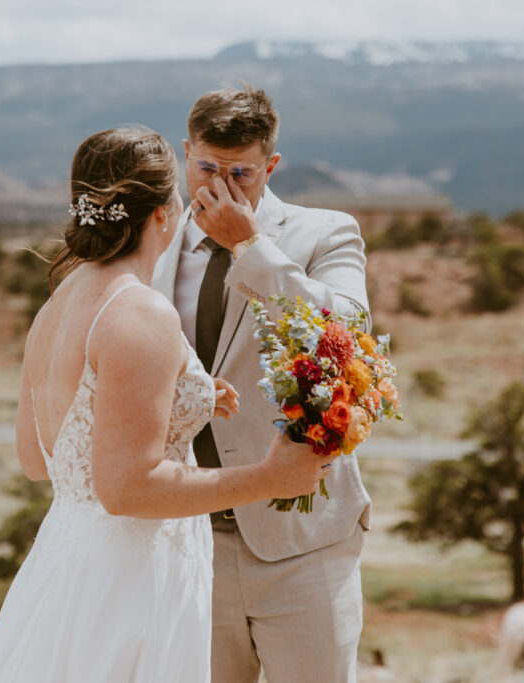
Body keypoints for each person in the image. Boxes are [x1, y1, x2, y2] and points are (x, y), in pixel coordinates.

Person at [0, 126, 334, 683]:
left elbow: (39, 459)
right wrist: (270, 477)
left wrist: (181, 403)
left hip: (65, 568)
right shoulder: (140, 312)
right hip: (132, 580)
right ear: (165, 212)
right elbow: (126, 489)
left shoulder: (57, 305)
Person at [152, 85, 373, 683]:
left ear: (270, 165)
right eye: (205, 167)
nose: (220, 186)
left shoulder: (325, 232)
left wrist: (248, 247)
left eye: (240, 173)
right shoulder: (150, 244)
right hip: (186, 537)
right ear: (184, 153)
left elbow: (347, 330)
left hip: (302, 539)